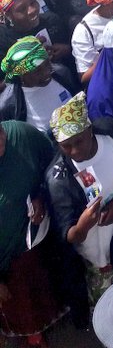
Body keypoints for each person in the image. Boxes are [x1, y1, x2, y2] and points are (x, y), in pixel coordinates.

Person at [46, 91, 113, 305]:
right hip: (99, 256)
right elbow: (69, 234)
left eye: (78, 141)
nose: (73, 151)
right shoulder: (59, 179)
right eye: (65, 145)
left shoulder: (112, 133)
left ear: (89, 129)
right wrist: (82, 226)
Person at [0, 120, 68, 340]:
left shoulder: (21, 134)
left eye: (0, 134)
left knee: (45, 291)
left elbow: (55, 160)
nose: (1, 145)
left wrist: (41, 193)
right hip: (4, 260)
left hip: (36, 238)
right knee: (18, 305)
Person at [0, 35, 74, 130]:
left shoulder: (62, 73)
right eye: (37, 71)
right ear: (21, 74)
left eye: (47, 64)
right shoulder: (8, 105)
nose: (47, 72)